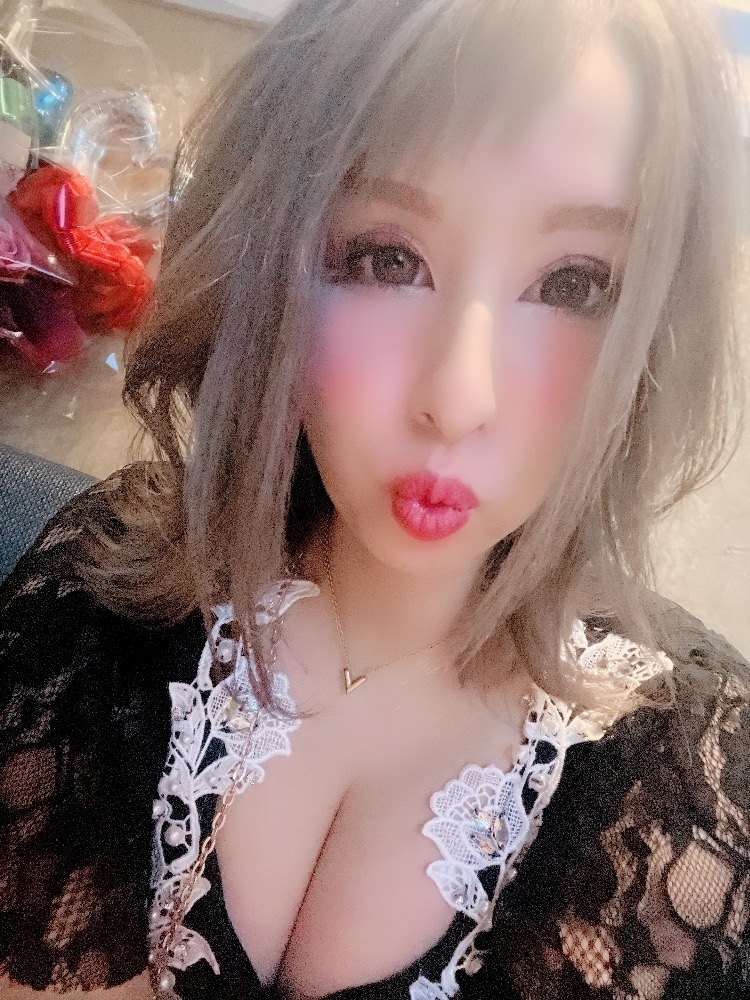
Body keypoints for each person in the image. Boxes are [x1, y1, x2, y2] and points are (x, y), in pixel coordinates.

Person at [1, 0, 749, 997]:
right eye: (388, 260)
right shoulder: (97, 606)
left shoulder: (688, 817)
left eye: (573, 284)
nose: (458, 398)